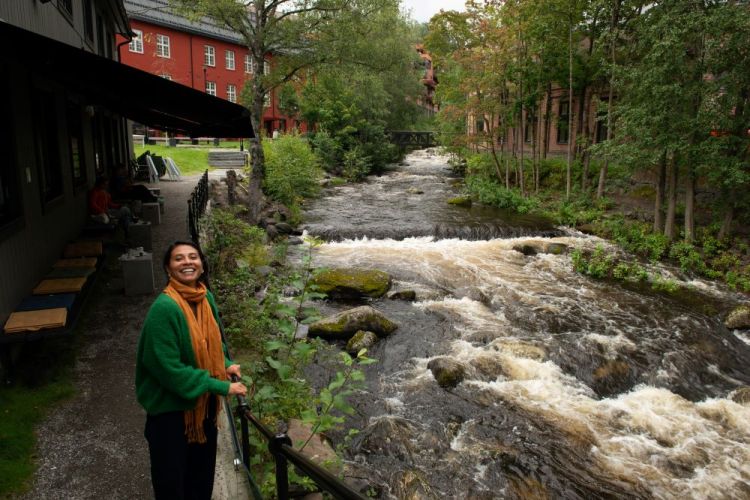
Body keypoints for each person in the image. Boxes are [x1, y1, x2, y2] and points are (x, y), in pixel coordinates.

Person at [135, 241, 247, 499]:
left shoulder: (204, 296)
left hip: (202, 408)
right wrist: (221, 386)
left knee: (200, 481)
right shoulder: (164, 309)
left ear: (201, 264)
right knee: (172, 487)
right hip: (171, 415)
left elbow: (213, 339)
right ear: (168, 268)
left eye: (193, 256)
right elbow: (169, 370)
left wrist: (226, 363)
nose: (187, 262)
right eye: (179, 258)